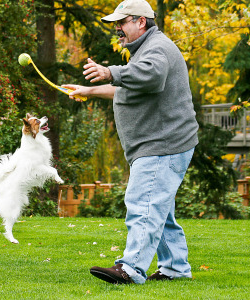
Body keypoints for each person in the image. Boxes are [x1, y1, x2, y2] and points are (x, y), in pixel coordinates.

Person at [63, 0, 199, 285]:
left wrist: (111, 71)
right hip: (160, 144)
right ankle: (175, 267)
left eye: (122, 23)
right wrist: (89, 90)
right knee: (159, 209)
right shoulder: (143, 52)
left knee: (143, 204)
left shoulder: (157, 49)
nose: (117, 29)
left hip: (163, 144)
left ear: (141, 22)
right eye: (116, 24)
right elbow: (128, 88)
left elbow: (151, 77)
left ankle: (131, 268)